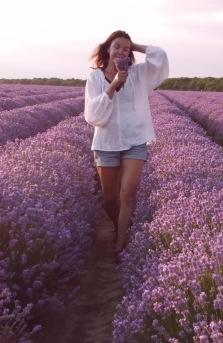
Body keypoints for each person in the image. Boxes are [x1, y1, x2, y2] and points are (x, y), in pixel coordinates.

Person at [84, 30, 169, 261]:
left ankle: (121, 244)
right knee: (110, 199)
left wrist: (136, 46)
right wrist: (113, 84)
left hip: (135, 140)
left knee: (127, 194)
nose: (121, 51)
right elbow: (93, 115)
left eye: (125, 48)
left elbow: (160, 56)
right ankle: (123, 226)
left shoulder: (138, 73)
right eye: (117, 47)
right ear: (107, 50)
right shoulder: (95, 78)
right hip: (106, 143)